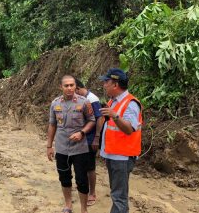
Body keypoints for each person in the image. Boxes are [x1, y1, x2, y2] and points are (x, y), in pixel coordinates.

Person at [46, 75, 96, 213]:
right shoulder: (55, 103)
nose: (69, 88)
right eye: (66, 85)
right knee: (64, 177)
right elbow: (52, 125)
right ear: (60, 87)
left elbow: (92, 120)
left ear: (75, 86)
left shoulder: (84, 102)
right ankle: (68, 205)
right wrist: (49, 146)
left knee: (82, 179)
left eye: (72, 85)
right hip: (62, 148)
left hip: (80, 148)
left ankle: (83, 209)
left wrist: (82, 132)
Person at [97, 68, 143, 213]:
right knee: (116, 193)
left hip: (122, 157)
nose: (104, 85)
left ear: (115, 85)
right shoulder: (113, 101)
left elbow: (129, 129)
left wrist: (115, 116)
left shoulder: (131, 103)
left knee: (119, 196)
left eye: (106, 82)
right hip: (113, 154)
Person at [74, 78, 103, 206]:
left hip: (90, 139)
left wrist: (97, 137)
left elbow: (100, 118)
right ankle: (85, 189)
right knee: (82, 166)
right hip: (82, 137)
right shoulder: (81, 99)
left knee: (90, 167)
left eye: (74, 91)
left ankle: (92, 193)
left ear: (77, 89)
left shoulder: (92, 99)